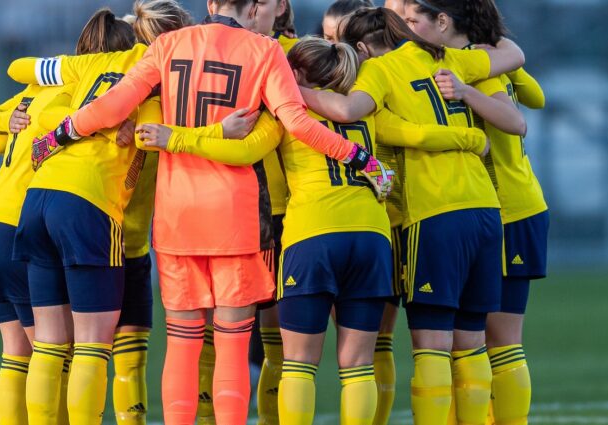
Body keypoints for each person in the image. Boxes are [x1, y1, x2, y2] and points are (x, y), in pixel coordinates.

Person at [30, 1, 394, 423]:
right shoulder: (264, 49)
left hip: (178, 215)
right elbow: (296, 121)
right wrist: (360, 158)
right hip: (236, 217)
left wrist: (58, 136)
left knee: (182, 344)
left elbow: (113, 106)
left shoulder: (168, 44)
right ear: (254, 7)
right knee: (233, 346)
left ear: (210, 4)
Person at [299, 8, 524, 424]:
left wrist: (292, 92)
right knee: (471, 341)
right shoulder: (449, 57)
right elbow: (513, 57)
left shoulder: (379, 70)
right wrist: (471, 136)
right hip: (485, 209)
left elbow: (349, 111)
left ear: (362, 47)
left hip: (435, 212)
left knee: (432, 343)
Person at [5, 6, 189, 424]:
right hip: (89, 204)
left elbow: (19, 69)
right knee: (91, 345)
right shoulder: (156, 70)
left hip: (39, 197)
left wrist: (70, 120)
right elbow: (151, 133)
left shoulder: (84, 66)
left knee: (49, 344)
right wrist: (126, 124)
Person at [402, 1, 548, 424]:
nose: (407, 29)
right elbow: (536, 94)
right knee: (469, 341)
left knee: (496, 341)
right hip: (510, 206)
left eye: (412, 20)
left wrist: (469, 89)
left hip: (507, 209)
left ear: (443, 22)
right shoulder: (484, 58)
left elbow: (518, 120)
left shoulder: (472, 66)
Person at [0, 82, 68, 425]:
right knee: (54, 353)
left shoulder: (35, 91)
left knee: (16, 351)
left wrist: (6, 122)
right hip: (16, 229)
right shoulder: (74, 95)